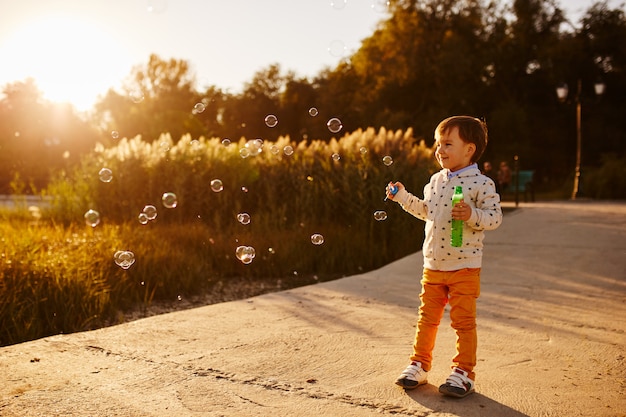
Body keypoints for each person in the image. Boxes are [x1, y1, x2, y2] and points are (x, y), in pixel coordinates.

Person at [386, 116, 502, 398]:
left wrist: (472, 215)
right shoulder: (435, 181)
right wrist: (402, 197)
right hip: (433, 265)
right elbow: (426, 211)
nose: (440, 150)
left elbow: (495, 217)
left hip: (464, 267)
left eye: (448, 143)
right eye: (438, 144)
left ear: (469, 149)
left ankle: (464, 372)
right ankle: (419, 364)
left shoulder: (480, 183)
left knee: (463, 322)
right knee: (427, 319)